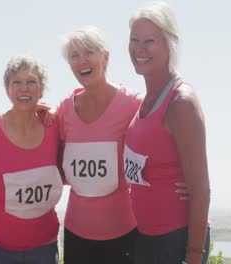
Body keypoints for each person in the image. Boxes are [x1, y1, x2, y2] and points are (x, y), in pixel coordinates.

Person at [125, 2, 210, 263]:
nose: (139, 49)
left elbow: (201, 189)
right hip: (146, 237)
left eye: (149, 40)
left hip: (175, 241)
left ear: (169, 43)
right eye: (134, 39)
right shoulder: (145, 100)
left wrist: (193, 257)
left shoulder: (180, 101)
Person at [56, 26, 141, 264]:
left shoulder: (133, 104)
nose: (82, 60)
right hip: (76, 235)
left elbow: (159, 151)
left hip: (124, 233)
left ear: (105, 57)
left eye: (89, 52)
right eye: (74, 55)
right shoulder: (64, 109)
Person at [0, 54, 63, 264]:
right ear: (7, 89)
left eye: (31, 82)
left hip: (44, 245)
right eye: (17, 82)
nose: (24, 89)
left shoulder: (55, 126)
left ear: (41, 89)